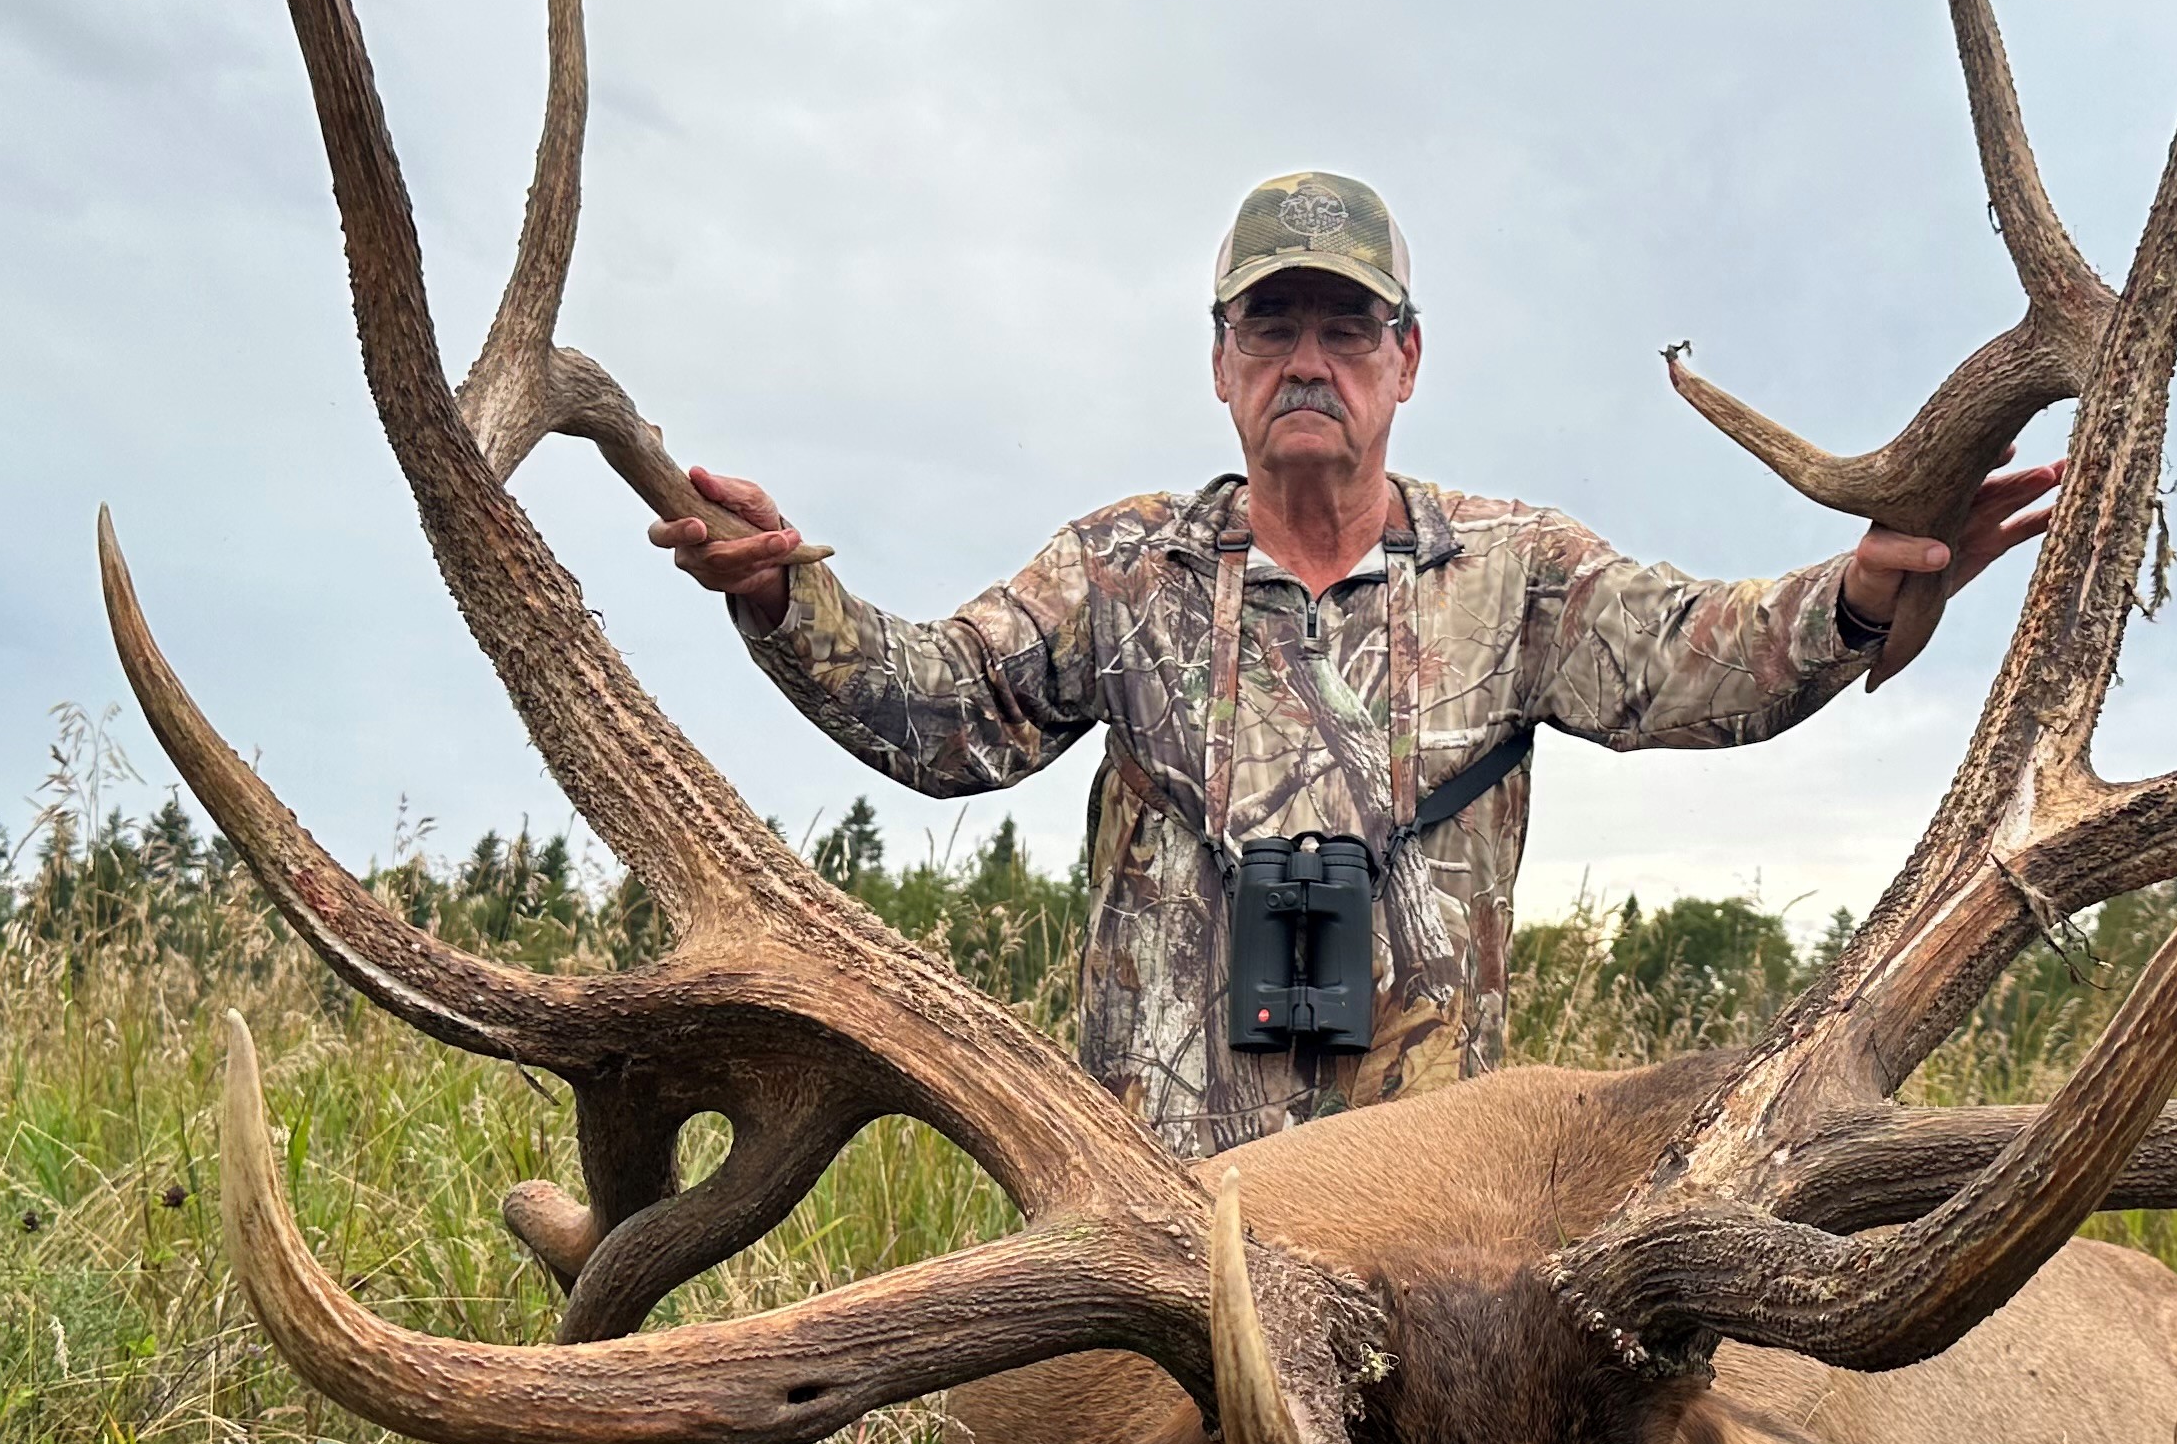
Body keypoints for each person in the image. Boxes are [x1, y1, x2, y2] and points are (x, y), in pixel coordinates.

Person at [656, 172, 2055, 1158]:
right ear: (1221, 363)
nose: (1309, 361)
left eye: (1347, 329)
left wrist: (1864, 591)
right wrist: (791, 598)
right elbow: (946, 710)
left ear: (1408, 358)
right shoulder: (1122, 570)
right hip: (1157, 1227)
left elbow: (1710, 653)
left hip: (1434, 1229)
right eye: (1274, 328)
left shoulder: (1514, 575)